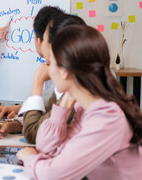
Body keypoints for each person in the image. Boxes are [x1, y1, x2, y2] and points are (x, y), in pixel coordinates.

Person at [17, 25, 142, 179]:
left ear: (65, 71)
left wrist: (30, 158)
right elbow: (47, 148)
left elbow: (52, 175)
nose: (49, 71)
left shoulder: (107, 118)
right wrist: (63, 106)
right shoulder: (84, 107)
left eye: (50, 63)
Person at [0, 12, 85, 143]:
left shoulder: (74, 90)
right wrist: (16, 123)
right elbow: (47, 119)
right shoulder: (69, 90)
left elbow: (35, 134)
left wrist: (38, 82)